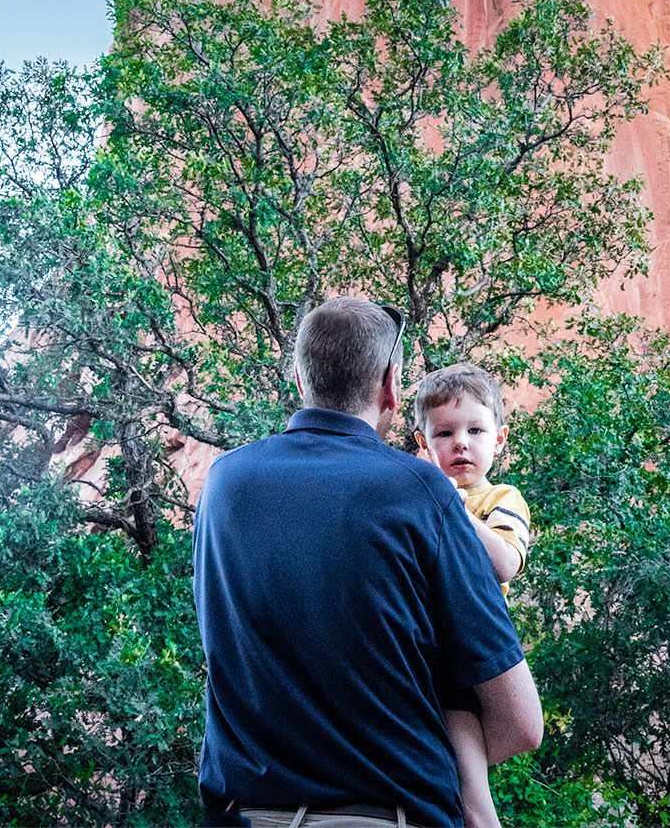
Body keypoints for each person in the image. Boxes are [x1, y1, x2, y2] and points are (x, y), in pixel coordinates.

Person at [192, 297, 543, 828]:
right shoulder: (418, 489)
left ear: (299, 379)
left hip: (246, 814)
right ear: (392, 386)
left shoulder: (224, 483)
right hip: (383, 815)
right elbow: (522, 724)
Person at [414, 364, 532, 828]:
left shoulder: (502, 498)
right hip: (429, 647)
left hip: (470, 646)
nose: (460, 442)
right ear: (423, 444)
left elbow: (504, 562)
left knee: (474, 800)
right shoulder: (419, 498)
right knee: (459, 776)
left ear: (499, 439)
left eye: (475, 430)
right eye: (444, 433)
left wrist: (453, 507)